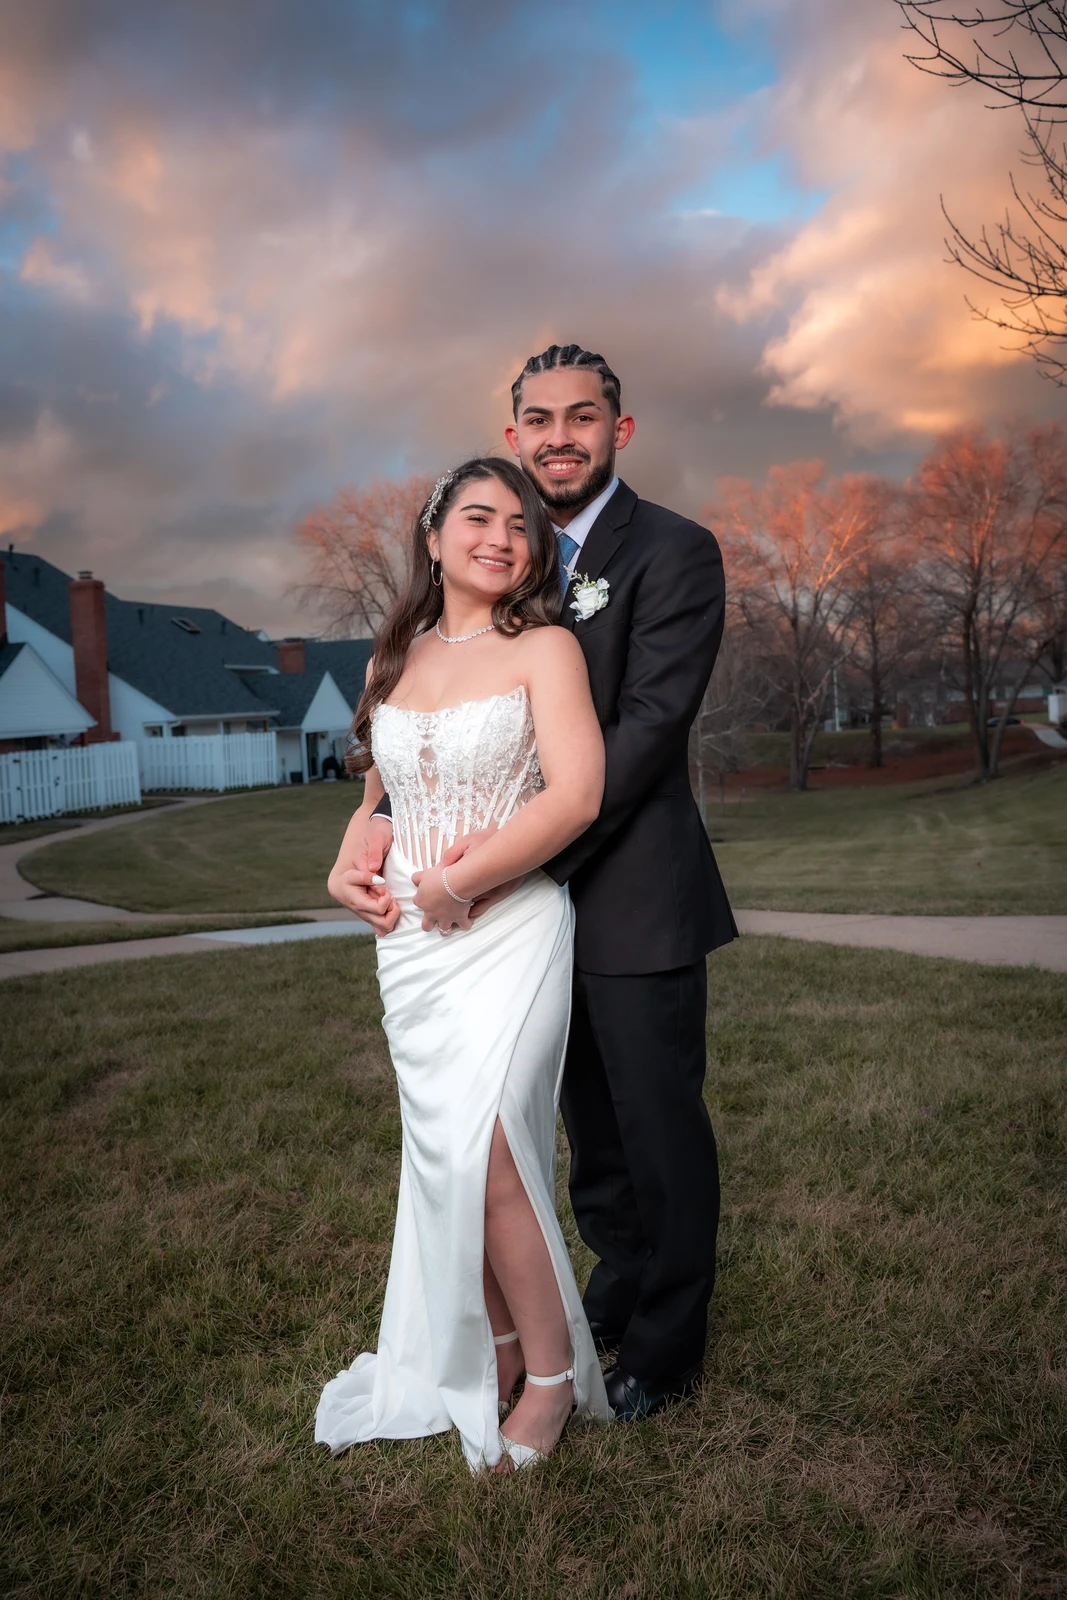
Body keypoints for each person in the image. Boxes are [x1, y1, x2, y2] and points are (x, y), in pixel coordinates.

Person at [337, 344, 737, 1422]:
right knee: (583, 1134)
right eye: (540, 420)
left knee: (656, 1126)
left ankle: (667, 1347)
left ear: (618, 430)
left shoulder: (673, 550)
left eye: (583, 416)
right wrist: (382, 827)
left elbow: (645, 731)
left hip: (630, 893)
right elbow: (430, 728)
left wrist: (498, 868)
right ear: (513, 435)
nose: (561, 437)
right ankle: (611, 1292)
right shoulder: (505, 556)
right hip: (515, 908)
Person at [314, 456, 611, 1474]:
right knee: (447, 1156)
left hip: (508, 927)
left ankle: (553, 1380)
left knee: (492, 1154)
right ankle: (495, 1346)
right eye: (478, 517)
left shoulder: (547, 649)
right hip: (410, 948)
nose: (501, 537)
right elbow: (379, 792)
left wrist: (457, 882)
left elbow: (574, 796)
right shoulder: (389, 657)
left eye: (520, 525)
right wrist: (350, 859)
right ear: (434, 536)